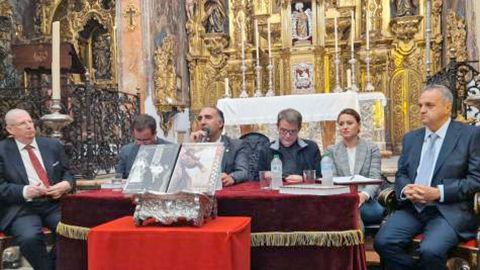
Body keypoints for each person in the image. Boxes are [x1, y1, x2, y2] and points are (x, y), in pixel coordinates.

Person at [374, 84, 480, 270]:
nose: (422, 110)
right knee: (383, 242)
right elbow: (402, 174)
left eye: (429, 105)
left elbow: (475, 180)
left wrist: (438, 193)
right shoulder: (411, 138)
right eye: (420, 105)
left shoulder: (469, 135)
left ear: (447, 107)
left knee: (431, 250)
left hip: (448, 210)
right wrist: (407, 189)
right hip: (413, 208)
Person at [0, 108, 75, 270]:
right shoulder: (2, 151)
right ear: (10, 130)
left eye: (29, 121)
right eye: (22, 123)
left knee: (72, 232)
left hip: (53, 204)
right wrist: (25, 191)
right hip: (21, 208)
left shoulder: (52, 145)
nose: (29, 126)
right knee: (29, 238)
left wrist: (66, 185)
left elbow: (68, 173)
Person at [328, 108, 384, 226]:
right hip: (342, 199)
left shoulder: (371, 148)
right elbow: (332, 178)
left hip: (367, 201)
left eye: (349, 123)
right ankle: (357, 242)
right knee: (350, 212)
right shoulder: (332, 151)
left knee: (349, 213)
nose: (345, 127)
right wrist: (348, 199)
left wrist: (363, 196)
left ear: (358, 125)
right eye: (341, 124)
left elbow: (375, 178)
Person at [257, 108, 321, 182]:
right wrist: (265, 175)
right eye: (283, 130)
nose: (287, 135)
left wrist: (304, 178)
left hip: (303, 190)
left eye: (292, 131)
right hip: (275, 190)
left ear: (299, 128)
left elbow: (320, 176)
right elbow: (256, 177)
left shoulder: (311, 147)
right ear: (277, 127)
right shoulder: (266, 149)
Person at [190, 106, 249, 186]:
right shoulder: (196, 145)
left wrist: (231, 177)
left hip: (224, 193)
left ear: (220, 123)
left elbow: (243, 171)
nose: (202, 122)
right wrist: (193, 147)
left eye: (208, 117)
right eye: (200, 118)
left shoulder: (236, 146)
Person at [116, 114, 170, 179]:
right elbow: (118, 179)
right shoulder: (126, 151)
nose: (142, 144)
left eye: (146, 140)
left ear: (154, 134)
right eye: (138, 139)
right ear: (133, 134)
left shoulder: (170, 150)